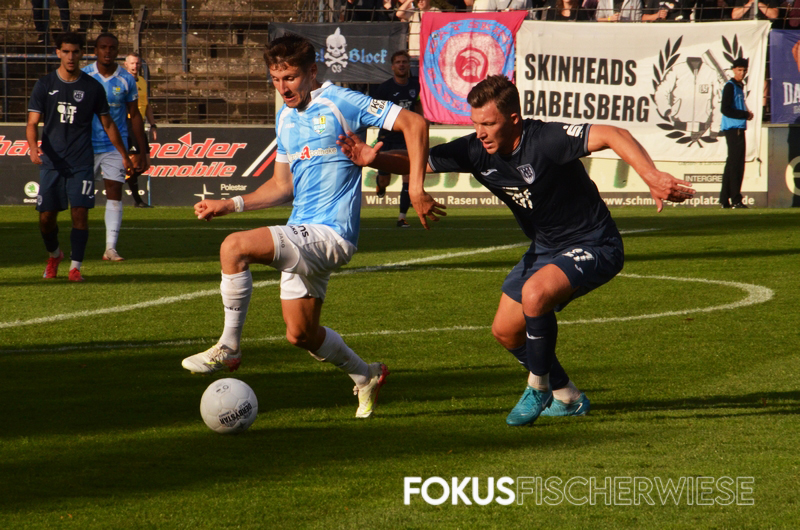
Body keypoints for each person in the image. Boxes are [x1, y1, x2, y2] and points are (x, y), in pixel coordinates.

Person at [338, 75, 694, 426]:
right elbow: (419, 161)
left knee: (534, 294)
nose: (480, 132)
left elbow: (614, 134)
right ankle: (568, 397)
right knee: (506, 330)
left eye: (489, 124)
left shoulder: (547, 140)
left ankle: (538, 387)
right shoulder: (475, 150)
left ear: (513, 119)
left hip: (595, 242)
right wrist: (372, 159)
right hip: (546, 248)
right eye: (475, 123)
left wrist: (650, 175)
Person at [181, 34, 429, 419]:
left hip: (331, 234)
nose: (283, 88)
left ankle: (229, 346)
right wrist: (229, 204)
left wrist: (415, 188)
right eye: (276, 79)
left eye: (291, 78)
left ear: (312, 72)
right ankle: (366, 375)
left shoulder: (342, 101)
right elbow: (282, 186)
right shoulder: (285, 117)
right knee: (301, 335)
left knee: (234, 248)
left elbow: (415, 123)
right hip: (302, 231)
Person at [26, 32, 132, 283]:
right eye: (66, 51)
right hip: (52, 161)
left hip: (81, 160)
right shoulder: (45, 84)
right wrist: (32, 147)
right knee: (46, 218)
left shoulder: (92, 87)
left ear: (82, 53)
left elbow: (108, 123)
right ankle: (55, 255)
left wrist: (124, 154)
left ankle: (75, 267)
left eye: (75, 52)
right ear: (58, 53)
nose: (70, 56)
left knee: (80, 213)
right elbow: (32, 122)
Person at [82, 33, 149, 261]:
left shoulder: (126, 79)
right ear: (95, 50)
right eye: (103, 47)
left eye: (112, 48)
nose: (107, 51)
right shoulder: (84, 75)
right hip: (86, 145)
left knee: (114, 193)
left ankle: (110, 248)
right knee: (80, 198)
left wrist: (141, 150)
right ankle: (78, 245)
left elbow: (135, 115)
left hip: (114, 147)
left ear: (117, 51)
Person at [371, 50, 423, 227]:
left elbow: (417, 103)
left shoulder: (415, 86)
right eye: (398, 62)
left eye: (404, 62)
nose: (401, 65)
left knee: (408, 176)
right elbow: (374, 112)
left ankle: (402, 217)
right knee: (385, 179)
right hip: (388, 138)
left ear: (408, 65)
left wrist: (420, 123)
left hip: (408, 138)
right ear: (393, 66)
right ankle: (380, 185)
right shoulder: (384, 88)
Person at [719, 57, 754, 209]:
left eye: (744, 70)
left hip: (738, 128)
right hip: (734, 129)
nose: (742, 73)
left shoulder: (739, 86)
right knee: (736, 165)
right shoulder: (730, 86)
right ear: (733, 70)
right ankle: (736, 199)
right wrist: (744, 115)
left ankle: (724, 199)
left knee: (732, 164)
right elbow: (725, 109)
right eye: (739, 70)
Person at [124, 52, 156, 208]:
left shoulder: (142, 81)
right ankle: (137, 201)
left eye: (137, 63)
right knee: (135, 162)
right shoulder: (123, 81)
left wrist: (153, 125)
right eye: (132, 63)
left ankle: (120, 179)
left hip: (140, 124)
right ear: (126, 65)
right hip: (129, 123)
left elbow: (146, 105)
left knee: (145, 164)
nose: (135, 66)